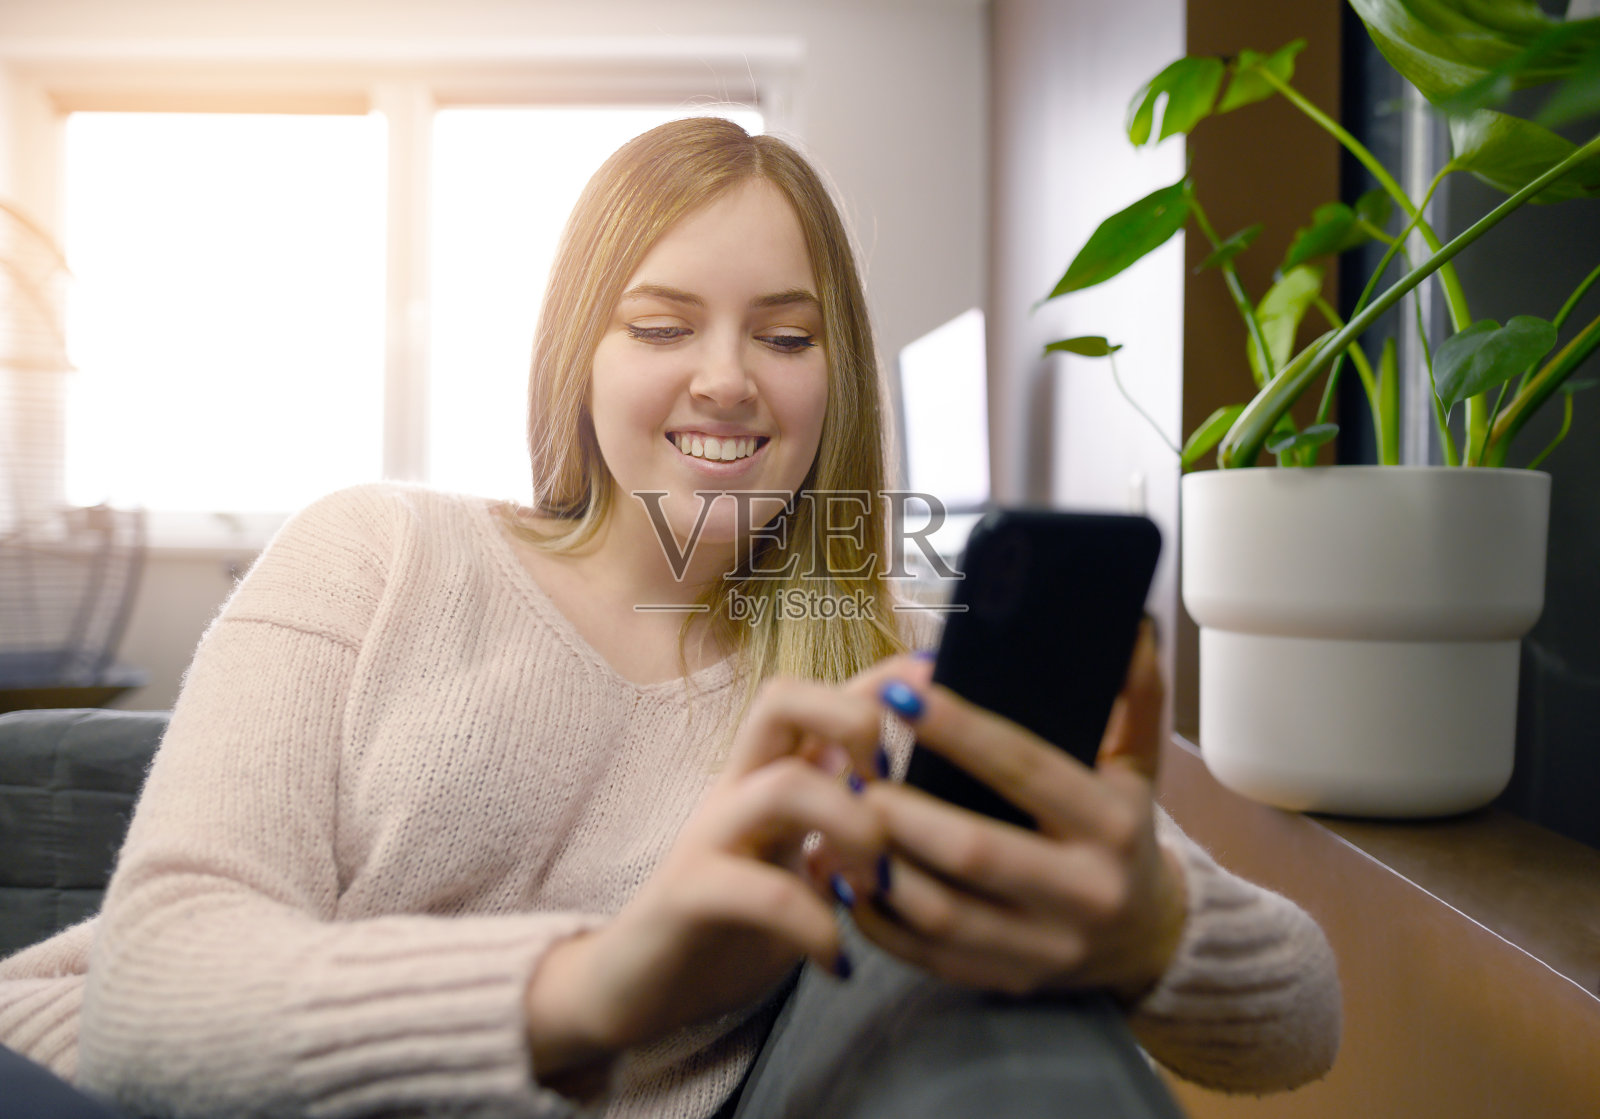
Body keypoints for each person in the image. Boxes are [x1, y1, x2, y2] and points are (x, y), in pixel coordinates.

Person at [0, 116, 1339, 1118]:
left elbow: (1304, 1011)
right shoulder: (381, 547)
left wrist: (1151, 927)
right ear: (580, 358)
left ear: (837, 382)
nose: (725, 380)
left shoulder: (888, 667)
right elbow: (148, 1000)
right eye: (658, 326)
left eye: (785, 336)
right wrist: (602, 983)